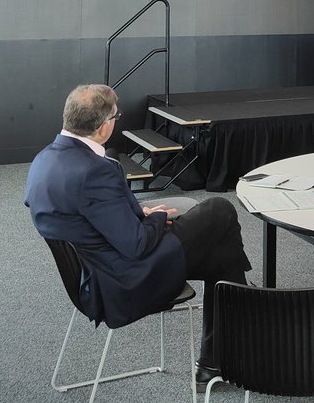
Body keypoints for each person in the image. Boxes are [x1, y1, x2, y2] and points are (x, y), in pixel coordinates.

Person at [25, 84, 252, 390]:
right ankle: (236, 331)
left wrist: (135, 214)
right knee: (220, 211)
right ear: (104, 126)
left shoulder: (44, 160)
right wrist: (157, 216)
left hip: (92, 271)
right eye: (115, 117)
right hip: (124, 278)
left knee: (223, 257)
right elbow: (137, 244)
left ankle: (216, 364)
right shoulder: (93, 171)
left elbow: (91, 215)